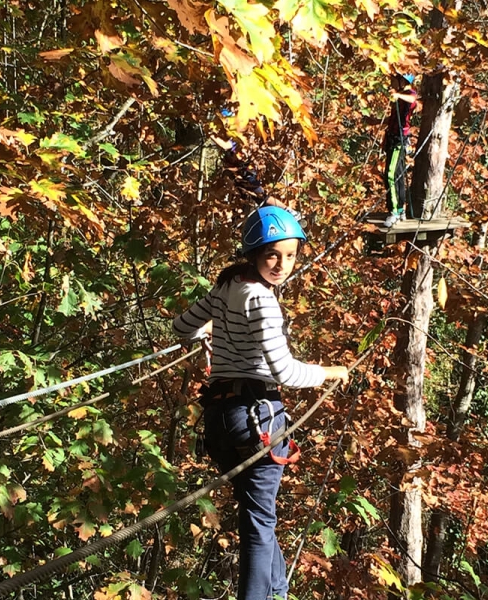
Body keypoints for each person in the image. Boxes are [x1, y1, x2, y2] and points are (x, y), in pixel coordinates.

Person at [172, 206, 349, 600]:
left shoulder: (228, 284)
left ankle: (278, 592)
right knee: (258, 524)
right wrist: (328, 372)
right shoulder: (263, 301)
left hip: (220, 420)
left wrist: (210, 327)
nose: (282, 265)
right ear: (253, 253)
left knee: (258, 519)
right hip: (257, 419)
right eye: (273, 255)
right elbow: (284, 372)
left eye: (290, 255)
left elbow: (180, 327)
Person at [382, 73, 417, 227]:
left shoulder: (409, 95)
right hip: (392, 138)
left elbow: (413, 99)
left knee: (391, 174)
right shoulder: (400, 96)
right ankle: (400, 209)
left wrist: (397, 95)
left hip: (399, 140)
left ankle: (395, 211)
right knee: (397, 174)